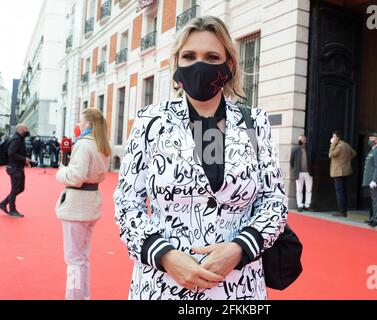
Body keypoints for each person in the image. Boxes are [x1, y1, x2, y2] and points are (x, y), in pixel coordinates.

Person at [113, 15, 288, 300]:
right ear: (177, 64)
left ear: (229, 65)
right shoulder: (150, 122)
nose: (199, 65)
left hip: (239, 286)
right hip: (163, 284)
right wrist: (165, 255)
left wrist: (240, 248)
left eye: (212, 56)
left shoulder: (255, 123)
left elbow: (274, 200)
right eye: (189, 56)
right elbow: (126, 203)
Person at [55, 109, 111, 300]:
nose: (77, 125)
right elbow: (101, 174)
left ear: (87, 125)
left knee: (74, 259)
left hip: (77, 205)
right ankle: (82, 296)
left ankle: (74, 297)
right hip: (91, 203)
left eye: (80, 122)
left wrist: (61, 172)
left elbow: (76, 177)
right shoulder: (102, 145)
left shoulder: (84, 145)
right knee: (82, 258)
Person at [0, 124, 32, 218]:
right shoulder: (17, 139)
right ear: (20, 129)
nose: (27, 130)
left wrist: (25, 161)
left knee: (21, 188)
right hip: (14, 168)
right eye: (26, 128)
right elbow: (11, 153)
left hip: (17, 167)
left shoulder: (19, 138)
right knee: (15, 189)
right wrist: (24, 159)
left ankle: (3, 203)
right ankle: (12, 210)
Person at [329, 131, 356, 217]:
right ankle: (343, 210)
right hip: (346, 171)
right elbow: (354, 153)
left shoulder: (339, 146)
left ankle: (342, 211)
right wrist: (346, 160)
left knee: (339, 192)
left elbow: (331, 154)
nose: (333, 139)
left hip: (338, 172)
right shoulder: (346, 145)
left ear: (338, 138)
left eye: (334, 137)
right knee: (343, 191)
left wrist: (332, 145)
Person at [290, 135, 313, 211]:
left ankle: (307, 205)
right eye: (299, 140)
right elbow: (291, 162)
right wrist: (296, 169)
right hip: (299, 173)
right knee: (299, 190)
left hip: (308, 173)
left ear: (305, 141)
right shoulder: (295, 150)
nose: (300, 141)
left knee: (308, 190)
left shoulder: (309, 150)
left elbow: (312, 161)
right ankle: (300, 205)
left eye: (302, 140)